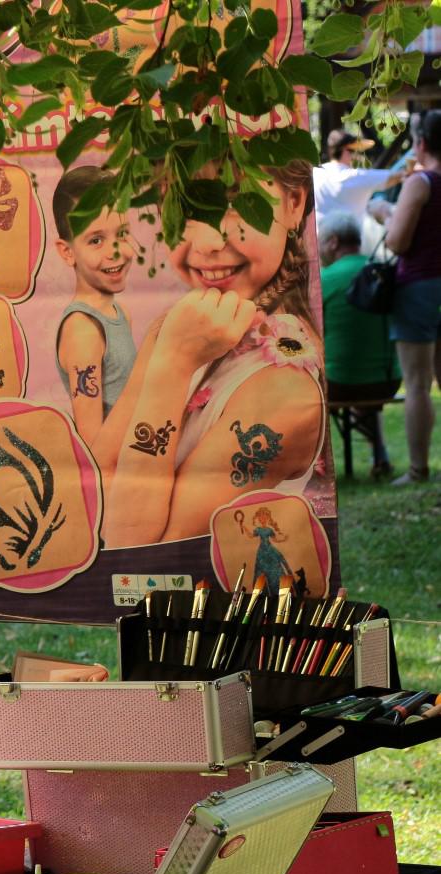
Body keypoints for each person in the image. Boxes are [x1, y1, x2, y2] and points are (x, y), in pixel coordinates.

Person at [97, 160, 323, 546]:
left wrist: (174, 364)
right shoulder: (178, 328)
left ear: (294, 203)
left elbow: (138, 550)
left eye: (234, 201)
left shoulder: (284, 389)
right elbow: (97, 475)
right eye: (180, 205)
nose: (206, 241)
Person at [52, 166, 139, 446]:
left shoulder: (119, 313)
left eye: (122, 234)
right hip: (117, 468)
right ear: (68, 252)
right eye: (96, 240)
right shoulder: (83, 330)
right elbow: (93, 445)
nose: (115, 252)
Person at [381, 109, 441, 485]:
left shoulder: (420, 183)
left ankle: (418, 469)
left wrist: (385, 214)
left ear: (420, 143)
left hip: (419, 288)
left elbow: (398, 242)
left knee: (417, 383)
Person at [318, 211, 400, 478]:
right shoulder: (383, 273)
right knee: (361, 376)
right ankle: (380, 455)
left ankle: (310, 468)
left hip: (339, 385)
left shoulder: (324, 280)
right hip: (388, 381)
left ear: (333, 242)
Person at [313, 129, 404, 225]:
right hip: (349, 234)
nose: (357, 156)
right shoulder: (354, 177)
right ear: (345, 150)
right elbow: (395, 177)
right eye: (354, 151)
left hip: (319, 233)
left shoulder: (316, 173)